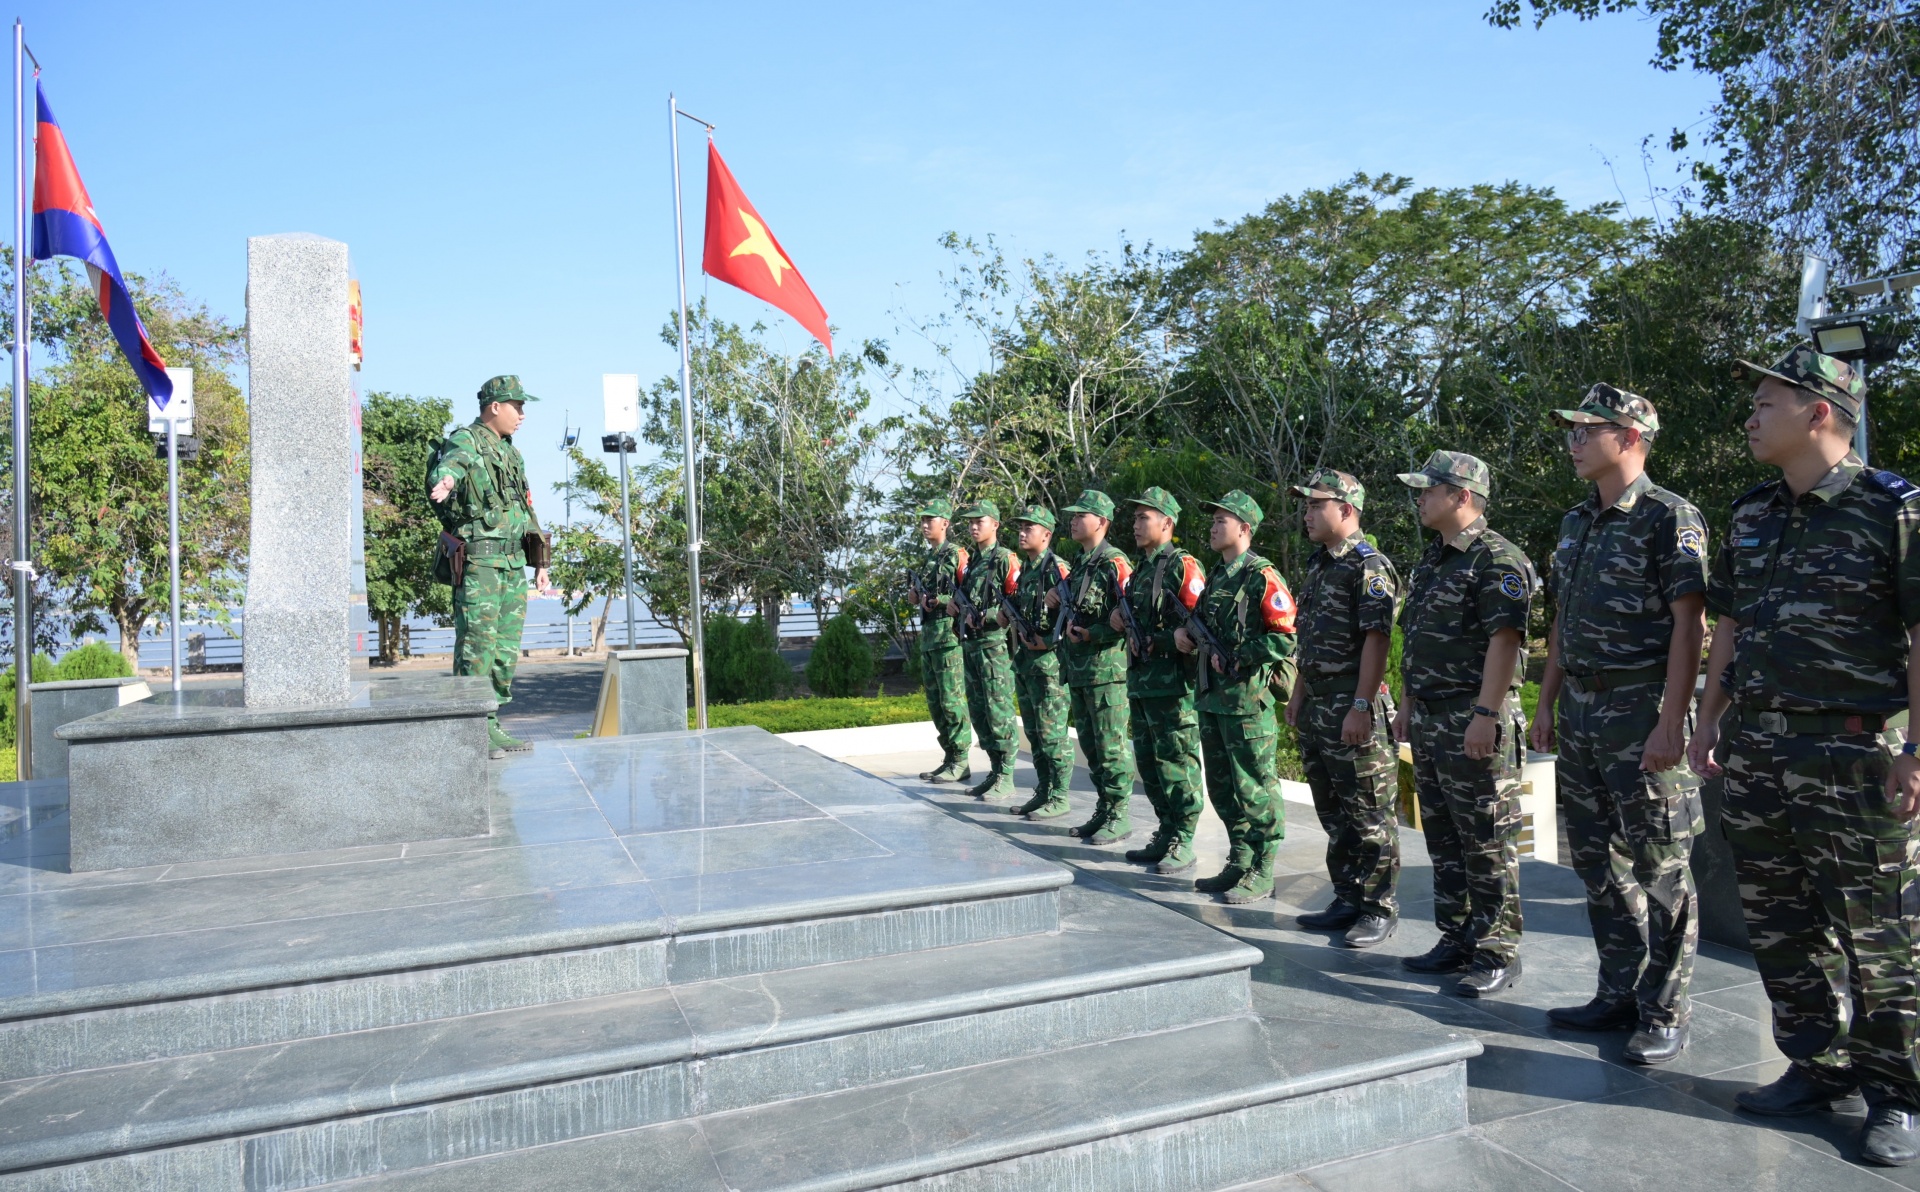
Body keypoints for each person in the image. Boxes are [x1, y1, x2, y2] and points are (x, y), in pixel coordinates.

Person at [1687, 345, 1920, 1167]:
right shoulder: (1752, 514)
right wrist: (1708, 718)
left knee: (1879, 932)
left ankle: (1896, 1092)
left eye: (1765, 404)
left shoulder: (1893, 508)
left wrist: (1916, 750)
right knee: (1780, 924)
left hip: (1854, 751)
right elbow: (1733, 627)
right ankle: (1818, 1065)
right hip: (1757, 748)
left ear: (1820, 411)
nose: (1750, 418)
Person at [1531, 384, 1705, 1065]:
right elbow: (1562, 626)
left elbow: (1690, 627)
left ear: (1629, 436)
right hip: (1579, 709)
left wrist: (1671, 722)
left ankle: (1666, 1009)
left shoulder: (1669, 517)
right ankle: (1618, 992)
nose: (1573, 442)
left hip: (1640, 709)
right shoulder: (1578, 521)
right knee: (1595, 860)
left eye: (1586, 430)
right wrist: (1545, 704)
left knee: (1663, 865)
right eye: (1571, 431)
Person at [1393, 451, 1534, 997]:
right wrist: (1407, 702)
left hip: (1473, 717)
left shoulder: (1496, 559)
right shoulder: (1433, 560)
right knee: (1446, 837)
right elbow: (1420, 645)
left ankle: (1498, 949)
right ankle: (1458, 937)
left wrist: (1486, 714)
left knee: (1488, 839)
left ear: (1463, 496)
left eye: (1430, 489)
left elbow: (1506, 641)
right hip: (1431, 716)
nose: (1420, 498)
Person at [1287, 469, 1402, 949]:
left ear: (1346, 510)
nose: (1308, 514)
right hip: (1318, 702)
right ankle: (1348, 897)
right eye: (1307, 506)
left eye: (1317, 505)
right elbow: (1306, 639)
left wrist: (1360, 704)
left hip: (1352, 703)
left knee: (1369, 812)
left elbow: (1376, 641)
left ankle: (1379, 908)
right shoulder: (1320, 564)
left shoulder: (1367, 566)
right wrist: (1297, 695)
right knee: (1334, 812)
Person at [1175, 490, 1297, 904]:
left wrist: (1241, 657)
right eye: (1212, 521)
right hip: (1212, 700)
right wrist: (1186, 636)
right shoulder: (1218, 575)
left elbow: (1285, 636)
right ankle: (1240, 860)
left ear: (1244, 529)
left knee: (1256, 788)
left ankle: (1263, 868)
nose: (1212, 527)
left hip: (1247, 703)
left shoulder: (1262, 576)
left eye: (1221, 521)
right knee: (1224, 790)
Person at [428, 375, 550, 759]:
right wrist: (446, 480)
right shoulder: (466, 439)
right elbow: (452, 465)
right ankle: (471, 726)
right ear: (494, 406)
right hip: (480, 561)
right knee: (477, 645)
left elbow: (524, 506)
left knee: (505, 650)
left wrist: (540, 563)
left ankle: (491, 721)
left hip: (513, 563)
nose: (522, 415)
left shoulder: (511, 453)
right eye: (517, 406)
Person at [1112, 487, 1207, 873]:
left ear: (1167, 524)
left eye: (1143, 518)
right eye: (1134, 518)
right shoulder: (1141, 572)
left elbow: (1199, 629)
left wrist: (1163, 640)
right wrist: (1118, 623)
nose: (1135, 524)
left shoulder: (1183, 566)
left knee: (1176, 763)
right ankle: (1166, 832)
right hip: (1142, 684)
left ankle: (1183, 837)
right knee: (1150, 765)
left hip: (1171, 688)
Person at [1047, 490, 1136, 843]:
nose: (1072, 520)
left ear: (1101, 522)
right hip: (1080, 671)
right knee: (1092, 750)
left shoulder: (1115, 563)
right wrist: (1055, 600)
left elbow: (1127, 618)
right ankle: (1104, 808)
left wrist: (1093, 633)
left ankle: (1120, 814)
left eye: (1080, 515)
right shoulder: (1081, 564)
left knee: (1110, 748)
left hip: (1105, 674)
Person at [951, 500, 1022, 802]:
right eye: (970, 522)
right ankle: (994, 771)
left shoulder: (1006, 559)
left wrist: (987, 616)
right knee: (979, 714)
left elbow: (1017, 602)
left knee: (998, 712)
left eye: (980, 521)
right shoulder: (972, 565)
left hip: (994, 648)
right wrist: (955, 609)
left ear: (995, 524)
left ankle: (1006, 776)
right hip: (971, 647)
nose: (973, 526)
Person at [1007, 506, 1075, 820]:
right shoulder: (1028, 569)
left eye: (1029, 528)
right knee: (1034, 733)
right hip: (1026, 663)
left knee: (1052, 734)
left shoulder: (1057, 568)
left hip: (1049, 665)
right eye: (1020, 528)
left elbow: (1072, 615)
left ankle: (1060, 796)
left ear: (1046, 534)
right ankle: (1044, 790)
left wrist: (1047, 642)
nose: (1022, 533)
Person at [911, 498, 973, 784]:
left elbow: (968, 594)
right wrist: (916, 597)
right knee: (936, 703)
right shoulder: (930, 558)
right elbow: (923, 595)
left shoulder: (956, 554)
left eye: (930, 520)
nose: (925, 525)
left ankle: (961, 759)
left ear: (945, 523)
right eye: (923, 520)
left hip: (948, 638)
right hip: (930, 639)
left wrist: (939, 600)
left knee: (951, 701)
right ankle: (949, 757)